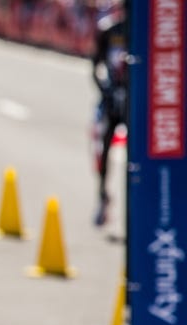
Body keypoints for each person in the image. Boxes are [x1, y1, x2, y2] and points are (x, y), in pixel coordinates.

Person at [91, 3, 126, 227]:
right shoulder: (109, 30)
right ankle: (102, 196)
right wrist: (105, 89)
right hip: (111, 100)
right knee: (103, 146)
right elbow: (95, 66)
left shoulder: (141, 32)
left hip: (134, 102)